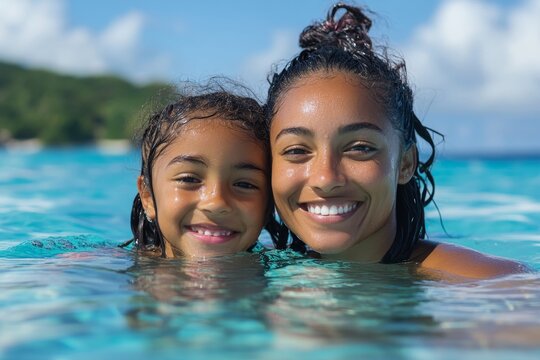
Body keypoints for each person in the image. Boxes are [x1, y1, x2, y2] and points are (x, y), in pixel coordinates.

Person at [265, 3, 527, 279]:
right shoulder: (252, 268)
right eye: (296, 150)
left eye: (360, 148)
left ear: (405, 164)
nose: (326, 178)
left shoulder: (487, 281)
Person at [128, 79, 278, 258]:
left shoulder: (292, 274)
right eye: (189, 179)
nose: (216, 203)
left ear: (269, 205)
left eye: (244, 184)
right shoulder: (102, 266)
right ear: (148, 196)